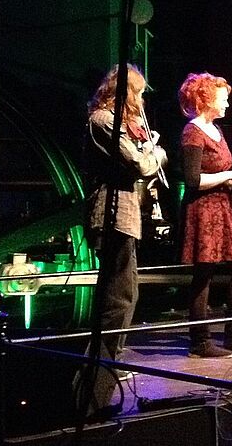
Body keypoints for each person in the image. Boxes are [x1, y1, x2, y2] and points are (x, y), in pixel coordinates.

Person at [82, 64, 165, 382]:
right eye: (140, 93)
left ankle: (108, 363)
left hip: (125, 217)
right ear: (127, 93)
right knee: (119, 295)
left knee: (124, 293)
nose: (143, 101)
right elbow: (138, 163)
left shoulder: (117, 123)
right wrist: (156, 153)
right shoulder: (104, 120)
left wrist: (147, 147)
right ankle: (103, 367)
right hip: (112, 217)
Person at [177, 72, 232, 358]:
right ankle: (200, 341)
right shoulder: (192, 131)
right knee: (204, 274)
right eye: (222, 97)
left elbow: (220, 170)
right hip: (203, 210)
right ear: (206, 99)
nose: (227, 102)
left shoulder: (216, 130)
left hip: (224, 207)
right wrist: (230, 174)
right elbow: (192, 180)